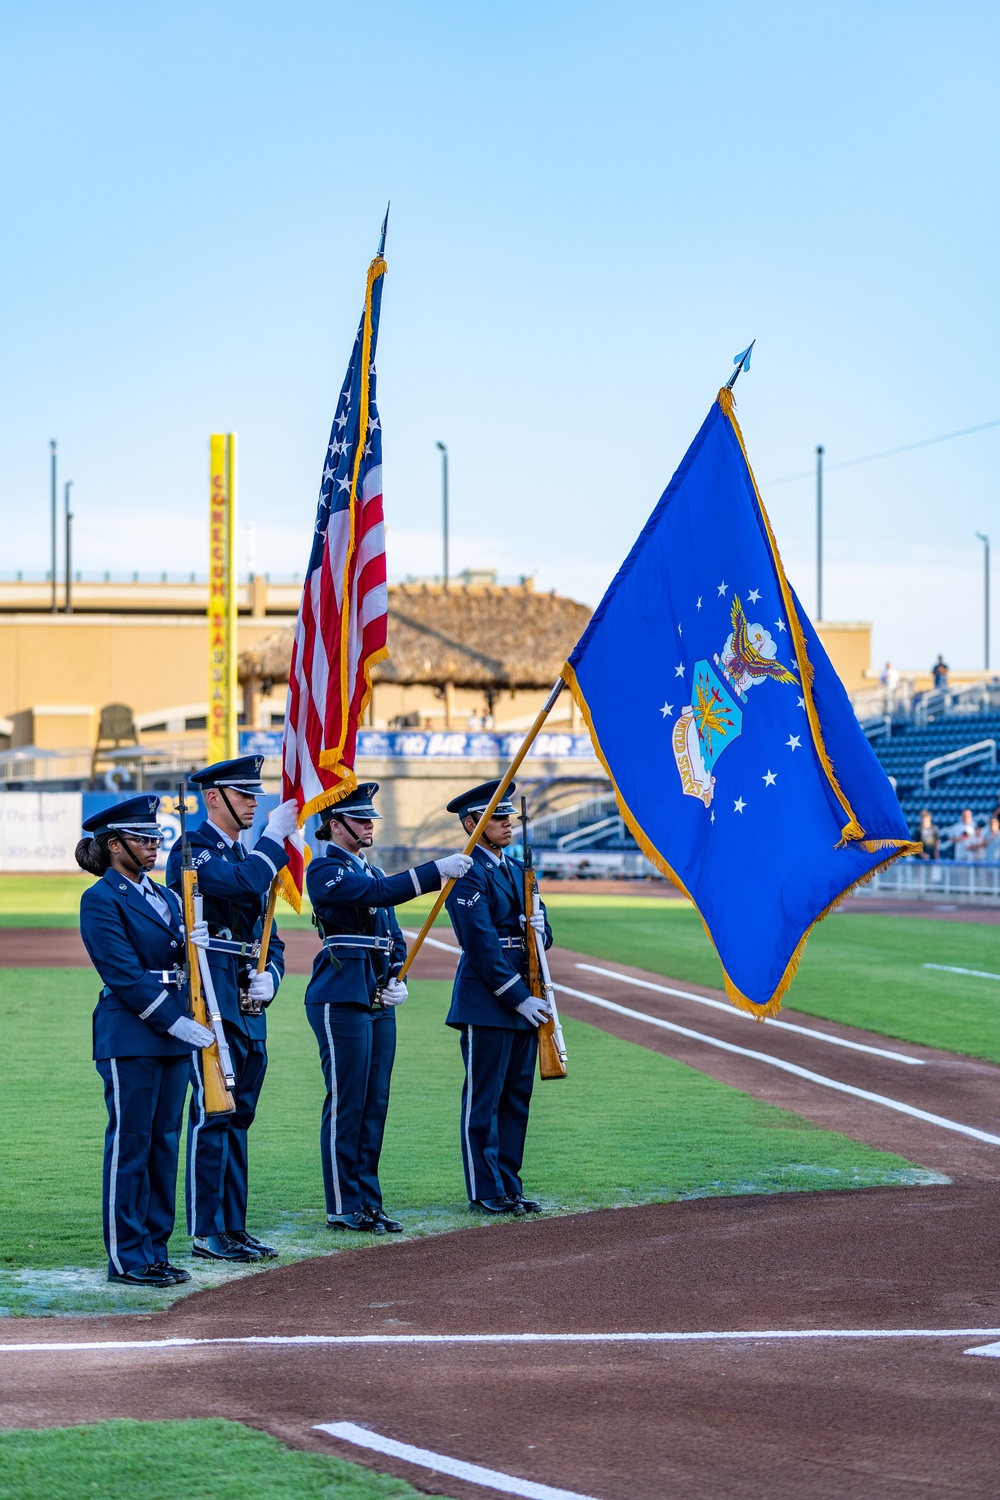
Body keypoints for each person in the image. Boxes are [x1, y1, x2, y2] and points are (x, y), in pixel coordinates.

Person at [305, 782, 472, 1232]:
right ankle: (343, 1205)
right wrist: (434, 871)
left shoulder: (372, 871)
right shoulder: (324, 870)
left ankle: (367, 1201)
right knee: (348, 1102)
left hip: (377, 994)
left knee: (374, 1102)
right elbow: (378, 897)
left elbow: (394, 937)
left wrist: (398, 978)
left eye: (370, 820)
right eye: (360, 820)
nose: (368, 826)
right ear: (334, 826)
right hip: (341, 994)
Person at [78, 795, 215, 1288]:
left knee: (164, 1145)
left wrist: (201, 944)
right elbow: (121, 972)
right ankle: (127, 1257)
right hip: (131, 1033)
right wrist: (173, 1021)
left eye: (157, 838)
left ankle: (155, 1249)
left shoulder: (169, 896)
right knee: (131, 1146)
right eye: (143, 839)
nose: (154, 846)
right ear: (115, 846)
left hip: (174, 1030)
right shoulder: (101, 898)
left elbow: (183, 963)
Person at [165, 756, 299, 1263]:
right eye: (244, 794)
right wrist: (275, 840)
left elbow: (274, 939)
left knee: (240, 1117)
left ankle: (233, 1226)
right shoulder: (192, 849)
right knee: (213, 1115)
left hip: (248, 1005)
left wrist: (273, 978)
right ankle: (206, 1230)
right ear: (214, 797)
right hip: (211, 1003)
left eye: (255, 793)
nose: (254, 801)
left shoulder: (250, 856)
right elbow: (241, 884)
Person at [443, 780, 552, 1217]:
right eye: (498, 818)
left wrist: (541, 929)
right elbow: (482, 946)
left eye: (510, 816)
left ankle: (509, 1183)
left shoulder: (516, 870)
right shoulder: (467, 869)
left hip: (525, 990)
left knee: (515, 1098)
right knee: (483, 1100)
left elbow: (544, 936)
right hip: (487, 999)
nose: (508, 824)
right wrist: (519, 998)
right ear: (473, 825)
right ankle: (484, 1188)